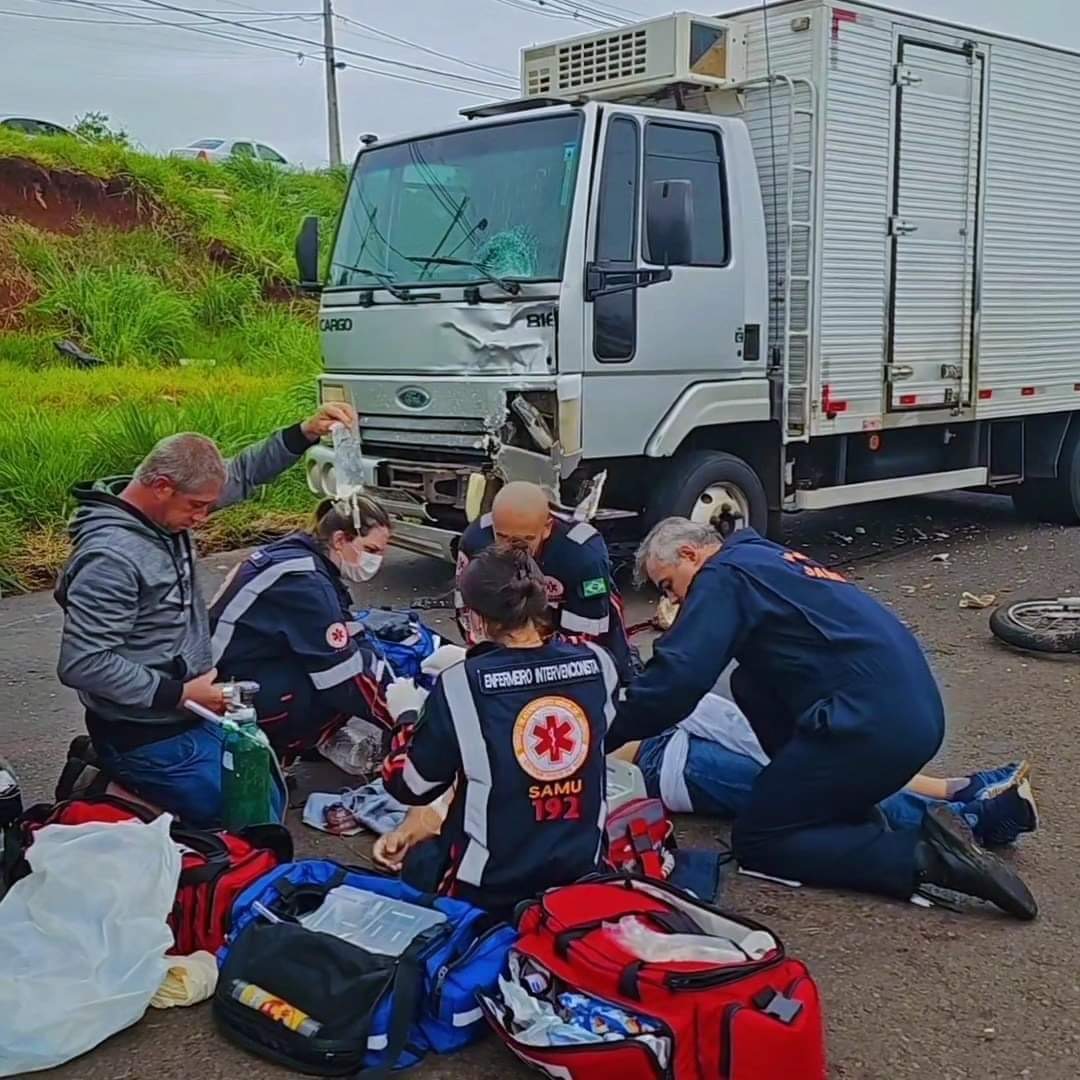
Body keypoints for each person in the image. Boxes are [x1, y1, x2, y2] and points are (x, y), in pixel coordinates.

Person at [607, 518, 1038, 920]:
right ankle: (852, 818)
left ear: (689, 554)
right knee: (749, 682)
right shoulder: (762, 557)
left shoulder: (723, 576)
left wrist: (600, 734)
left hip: (869, 725)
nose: (673, 600)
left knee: (759, 841)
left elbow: (678, 680)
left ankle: (923, 856)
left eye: (669, 585)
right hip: (905, 713)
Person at [54, 403, 355, 828]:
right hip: (146, 729)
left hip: (189, 710)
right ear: (160, 485)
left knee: (263, 785)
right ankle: (113, 790)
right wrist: (180, 693)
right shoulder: (111, 559)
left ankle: (126, 785)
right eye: (197, 507)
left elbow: (245, 473)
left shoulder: (164, 511)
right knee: (254, 820)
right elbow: (83, 663)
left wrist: (304, 432)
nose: (203, 518)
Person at [381, 544, 620, 917]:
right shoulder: (598, 663)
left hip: (489, 889)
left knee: (419, 864)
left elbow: (412, 785)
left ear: (475, 618)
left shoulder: (462, 683)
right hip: (578, 874)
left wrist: (405, 717)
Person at [616, 691, 1038, 849]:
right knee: (811, 782)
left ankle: (957, 792)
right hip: (657, 763)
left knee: (814, 753)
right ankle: (967, 817)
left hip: (673, 729)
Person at [208, 494, 394, 758]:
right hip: (226, 686)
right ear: (340, 539)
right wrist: (404, 719)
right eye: (371, 550)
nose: (376, 561)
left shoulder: (304, 558)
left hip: (235, 666)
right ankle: (280, 748)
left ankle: (306, 738)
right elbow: (343, 673)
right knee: (335, 680)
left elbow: (345, 629)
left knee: (363, 658)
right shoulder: (305, 581)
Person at [455, 481, 635, 681]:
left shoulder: (583, 555)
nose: (512, 548)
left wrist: (541, 670)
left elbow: (591, 636)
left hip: (569, 621)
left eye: (524, 540)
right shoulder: (476, 540)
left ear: (547, 528)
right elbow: (467, 612)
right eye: (502, 537)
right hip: (507, 626)